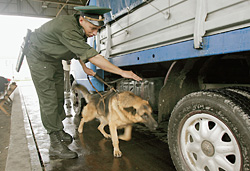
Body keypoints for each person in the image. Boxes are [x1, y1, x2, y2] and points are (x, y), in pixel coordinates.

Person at [25, 5, 142, 159]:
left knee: (59, 94)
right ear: (81, 20)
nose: (94, 33)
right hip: (38, 56)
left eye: (97, 30)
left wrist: (84, 67)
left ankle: (59, 131)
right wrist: (122, 72)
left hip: (53, 58)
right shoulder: (67, 28)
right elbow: (93, 56)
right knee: (49, 98)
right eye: (93, 28)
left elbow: (78, 49)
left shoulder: (80, 27)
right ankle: (54, 142)